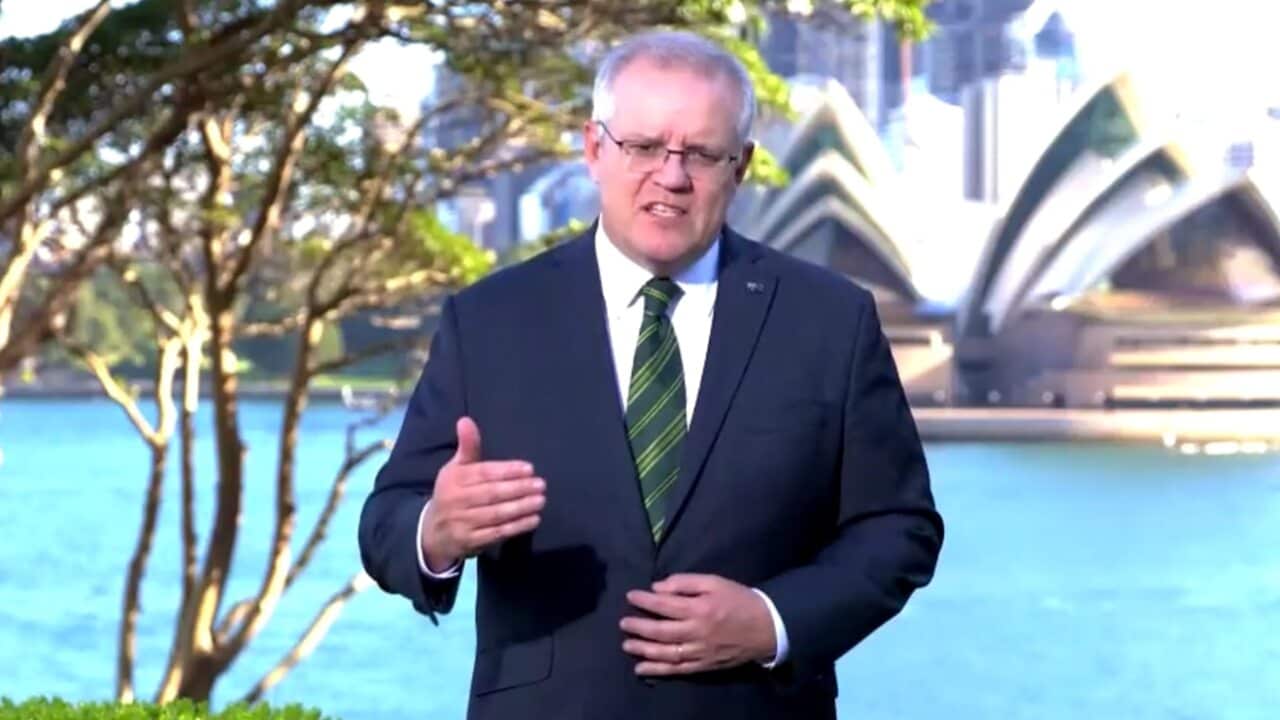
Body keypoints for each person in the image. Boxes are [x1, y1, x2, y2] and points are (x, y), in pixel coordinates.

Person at [358, 29, 943, 720]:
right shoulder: (489, 320)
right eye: (643, 147)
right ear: (594, 148)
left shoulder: (830, 321)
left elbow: (898, 528)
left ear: (742, 167)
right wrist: (436, 531)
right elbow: (386, 522)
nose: (671, 175)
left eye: (700, 152)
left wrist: (772, 620)